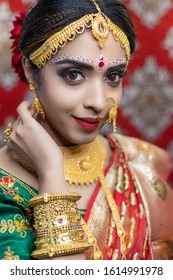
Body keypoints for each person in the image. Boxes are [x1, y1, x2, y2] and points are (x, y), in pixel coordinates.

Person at [0, 0, 173, 261]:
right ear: (31, 71)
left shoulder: (142, 164)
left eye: (113, 77)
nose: (99, 101)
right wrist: (50, 171)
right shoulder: (5, 189)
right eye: (73, 75)